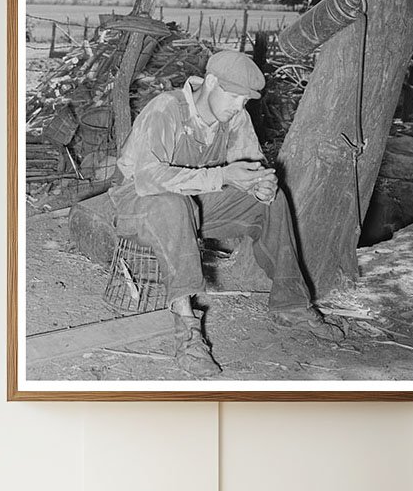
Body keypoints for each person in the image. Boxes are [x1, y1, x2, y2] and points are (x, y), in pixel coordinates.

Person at [110, 50, 343, 376]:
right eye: (233, 96)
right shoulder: (166, 109)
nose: (238, 105)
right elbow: (148, 179)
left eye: (244, 100)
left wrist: (261, 187)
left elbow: (251, 169)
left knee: (272, 202)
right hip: (138, 204)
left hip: (193, 201)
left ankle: (291, 304)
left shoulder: (234, 118)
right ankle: (187, 331)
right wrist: (222, 176)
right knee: (172, 204)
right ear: (211, 82)